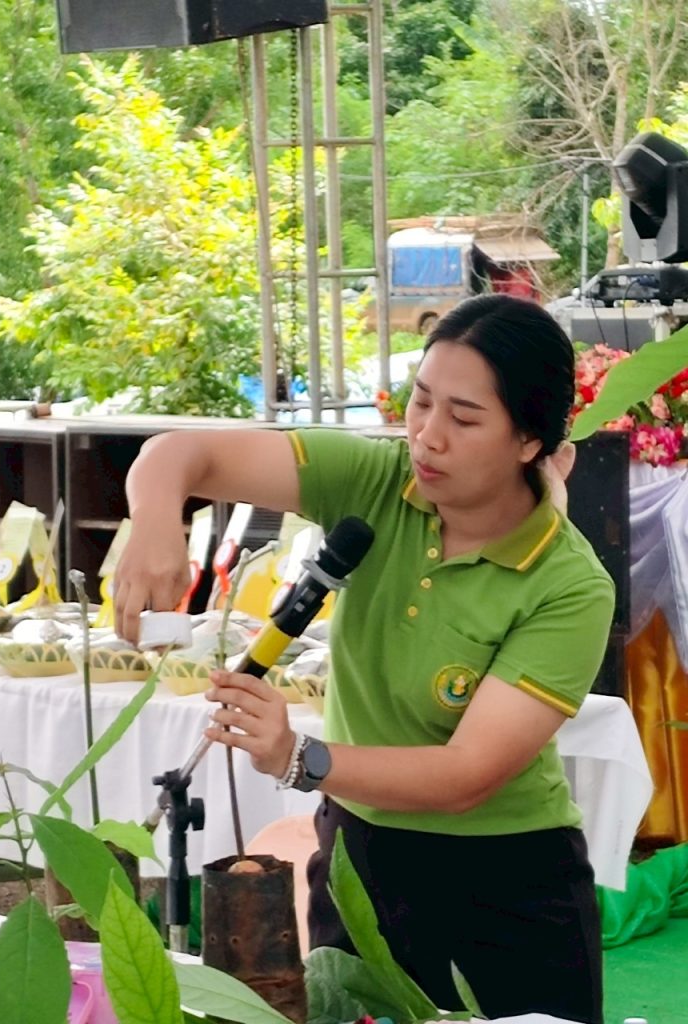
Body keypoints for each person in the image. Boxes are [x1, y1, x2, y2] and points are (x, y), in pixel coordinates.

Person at [114, 293, 615, 1024]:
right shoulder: (376, 481)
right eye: (421, 401)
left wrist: (298, 757)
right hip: (358, 858)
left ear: (529, 441)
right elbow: (178, 453)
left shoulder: (568, 584)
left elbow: (466, 775)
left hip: (508, 881)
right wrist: (156, 523)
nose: (428, 437)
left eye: (464, 418)